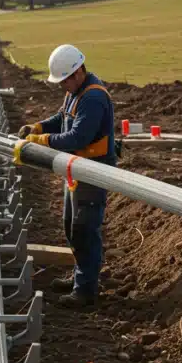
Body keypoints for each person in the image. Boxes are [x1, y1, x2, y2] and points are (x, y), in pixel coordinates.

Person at [18, 44, 116, 307]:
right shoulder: (76, 92)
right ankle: (79, 277)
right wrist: (38, 125)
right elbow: (62, 118)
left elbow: (77, 137)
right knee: (71, 226)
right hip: (75, 169)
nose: (63, 87)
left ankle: (86, 290)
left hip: (92, 172)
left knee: (85, 229)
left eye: (64, 81)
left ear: (77, 73)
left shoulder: (93, 97)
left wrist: (41, 139)